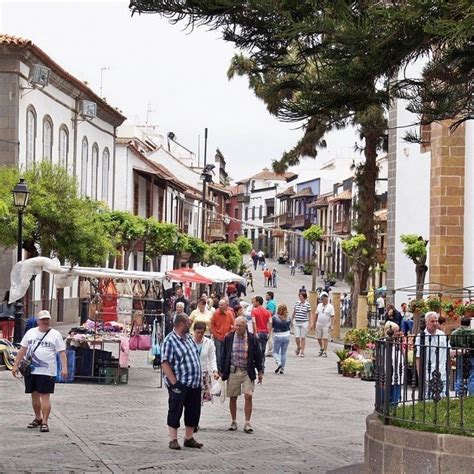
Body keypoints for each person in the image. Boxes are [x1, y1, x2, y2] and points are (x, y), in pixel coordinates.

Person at [12, 310, 67, 433]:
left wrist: (64, 368)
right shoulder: (30, 333)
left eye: (47, 319)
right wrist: (15, 365)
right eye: (42, 319)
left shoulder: (55, 334)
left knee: (45, 396)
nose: (45, 322)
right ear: (38, 321)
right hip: (31, 370)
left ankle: (45, 422)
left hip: (47, 370)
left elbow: (62, 353)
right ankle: (38, 418)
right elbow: (22, 350)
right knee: (34, 395)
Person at [161, 313, 203, 450]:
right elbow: (164, 362)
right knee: (175, 410)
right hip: (180, 383)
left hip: (194, 383)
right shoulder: (170, 340)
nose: (190, 324)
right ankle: (173, 439)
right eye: (187, 322)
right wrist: (174, 382)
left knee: (193, 411)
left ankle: (189, 438)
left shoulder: (188, 338)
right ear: (180, 324)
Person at [220, 316, 264, 433]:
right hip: (233, 370)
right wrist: (221, 370)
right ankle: (234, 421)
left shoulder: (252, 338)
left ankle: (247, 422)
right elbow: (224, 354)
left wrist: (260, 371)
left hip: (246, 371)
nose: (237, 328)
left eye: (240, 326)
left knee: (248, 395)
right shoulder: (229, 337)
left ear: (245, 326)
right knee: (233, 397)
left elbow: (258, 355)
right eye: (236, 325)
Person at [415, 312, 450, 399]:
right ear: (426, 322)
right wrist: (420, 375)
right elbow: (418, 358)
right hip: (428, 373)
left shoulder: (441, 334)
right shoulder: (421, 337)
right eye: (432, 321)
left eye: (436, 321)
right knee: (428, 399)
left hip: (442, 372)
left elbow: (448, 351)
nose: (435, 323)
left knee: (442, 398)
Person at [192, 321, 219, 412]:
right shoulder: (188, 342)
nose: (199, 335)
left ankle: (195, 422)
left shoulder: (209, 343)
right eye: (197, 332)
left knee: (199, 401)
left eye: (202, 333)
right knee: (191, 399)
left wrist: (215, 370)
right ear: (193, 331)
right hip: (191, 374)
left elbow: (212, 358)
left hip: (203, 374)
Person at [450, 317, 474, 396]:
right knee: (472, 377)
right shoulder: (472, 332)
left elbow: (452, 345)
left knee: (459, 376)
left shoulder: (454, 333)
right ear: (469, 323)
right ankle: (471, 397)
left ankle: (460, 396)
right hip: (471, 356)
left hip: (460, 356)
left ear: (461, 322)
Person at [210, 299, 235, 372]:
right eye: (219, 305)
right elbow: (211, 325)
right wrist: (215, 334)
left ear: (226, 306)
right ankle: (219, 368)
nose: (220, 307)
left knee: (227, 352)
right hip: (218, 336)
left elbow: (233, 325)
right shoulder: (216, 313)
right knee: (218, 353)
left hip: (227, 337)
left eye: (221, 305)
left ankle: (225, 367)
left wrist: (229, 333)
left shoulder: (229, 314)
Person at [312, 293, 335, 358]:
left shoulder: (330, 306)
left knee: (325, 338)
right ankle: (321, 348)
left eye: (326, 300)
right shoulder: (319, 305)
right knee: (318, 338)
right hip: (319, 324)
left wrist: (332, 325)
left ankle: (325, 351)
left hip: (326, 325)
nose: (325, 301)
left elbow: (332, 316)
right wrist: (314, 323)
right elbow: (316, 314)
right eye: (323, 300)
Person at [272, 304, 291, 374]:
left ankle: (279, 362)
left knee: (275, 352)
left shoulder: (275, 317)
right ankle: (282, 368)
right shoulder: (288, 317)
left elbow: (272, 326)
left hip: (278, 335)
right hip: (287, 335)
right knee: (283, 353)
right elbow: (290, 325)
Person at [293, 292, 312, 357]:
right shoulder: (297, 303)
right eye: (299, 296)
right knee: (297, 337)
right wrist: (291, 319)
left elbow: (309, 314)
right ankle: (298, 347)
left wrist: (310, 322)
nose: (300, 298)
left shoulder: (307, 304)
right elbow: (294, 312)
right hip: (297, 321)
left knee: (303, 337)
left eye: (301, 296)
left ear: (304, 297)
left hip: (304, 322)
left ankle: (302, 352)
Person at [265, 292, 276, 356]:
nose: (266, 296)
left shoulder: (270, 304)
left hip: (269, 321)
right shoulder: (270, 303)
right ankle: (270, 350)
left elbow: (271, 312)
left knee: (269, 336)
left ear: (270, 296)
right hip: (270, 320)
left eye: (267, 295)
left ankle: (270, 351)